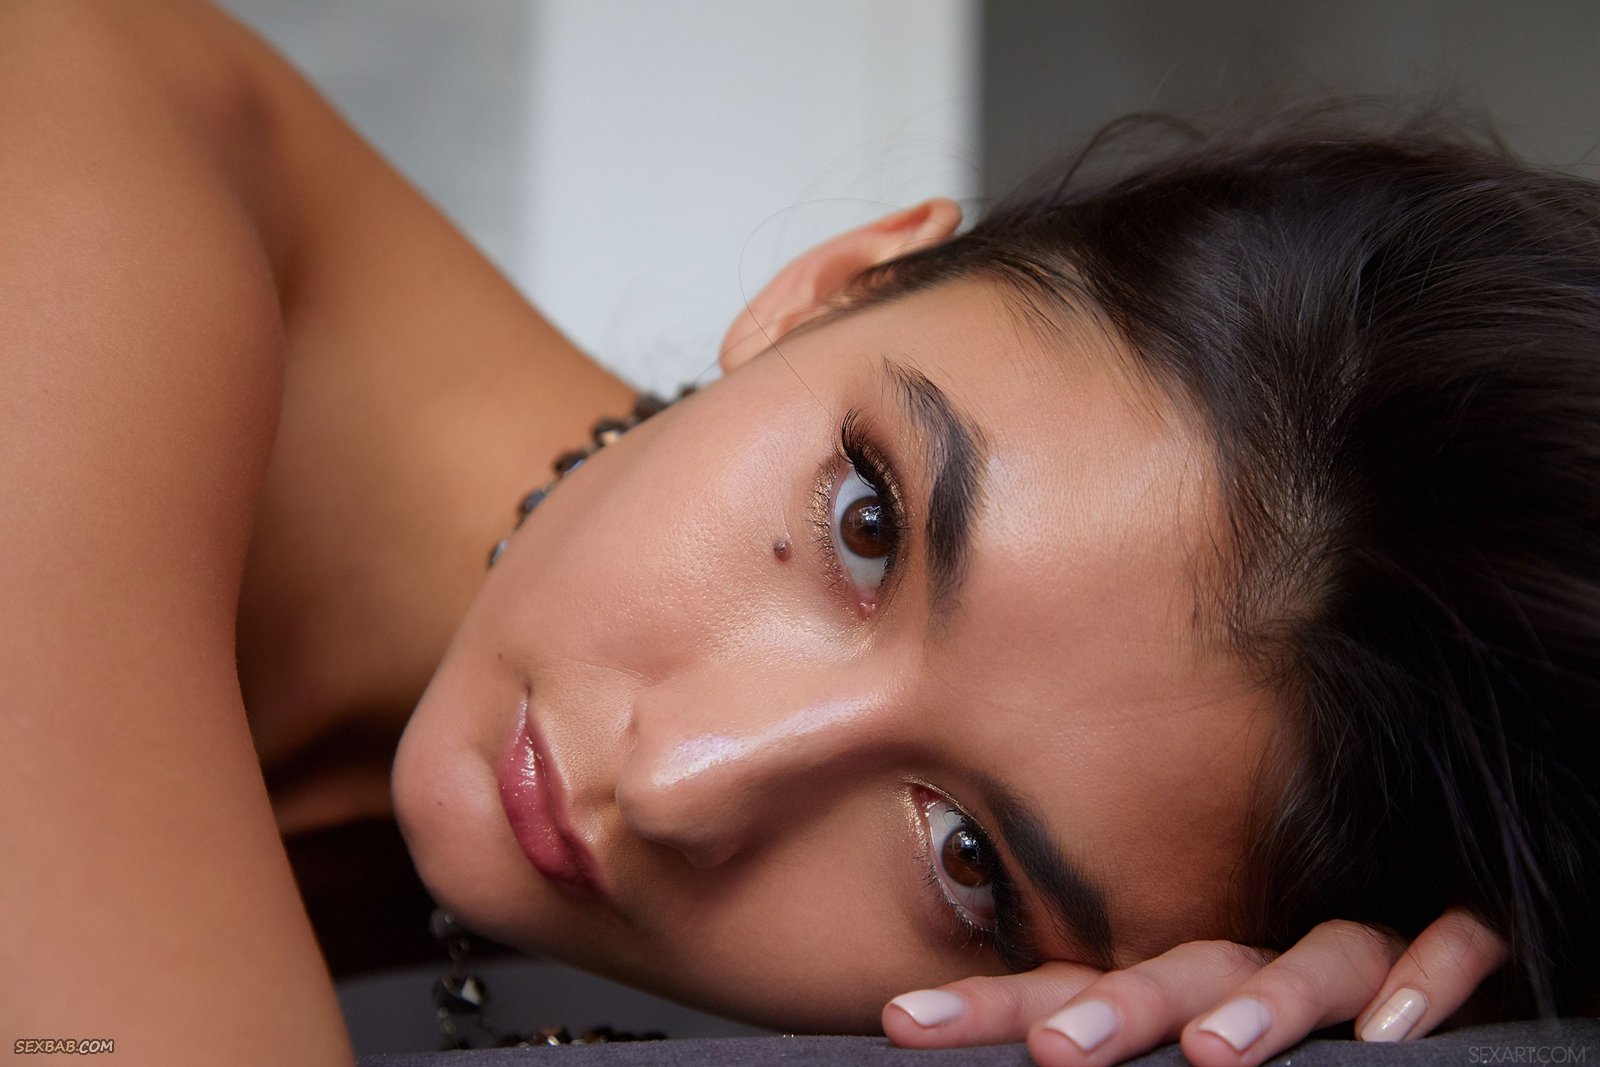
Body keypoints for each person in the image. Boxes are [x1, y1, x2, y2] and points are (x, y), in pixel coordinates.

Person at [3, 2, 1591, 1065]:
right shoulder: (67, 191)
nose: (689, 786)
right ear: (835, 284)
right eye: (866, 524)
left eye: (967, 864)